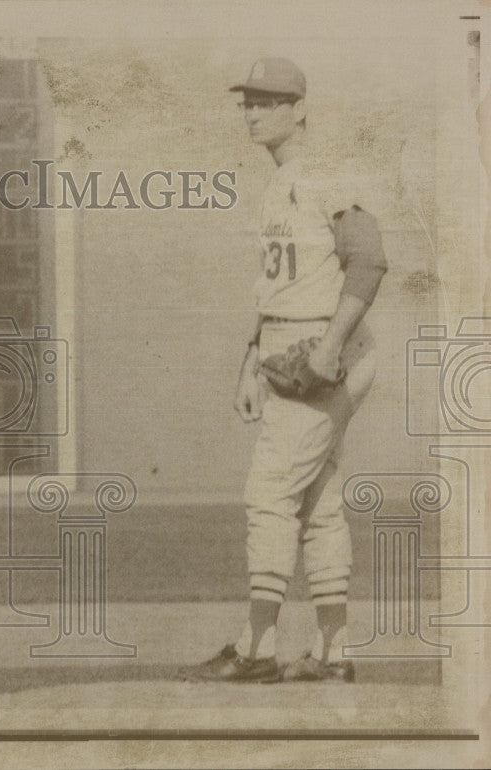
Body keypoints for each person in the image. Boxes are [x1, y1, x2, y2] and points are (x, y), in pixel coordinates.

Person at [179, 58, 387, 682]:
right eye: (248, 101)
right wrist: (249, 362)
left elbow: (369, 262)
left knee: (268, 495)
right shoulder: (277, 184)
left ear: (299, 108)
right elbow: (276, 291)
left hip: (324, 348)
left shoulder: (330, 173)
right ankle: (333, 650)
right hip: (285, 346)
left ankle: (257, 646)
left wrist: (329, 346)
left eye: (269, 102)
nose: (254, 112)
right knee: (318, 502)